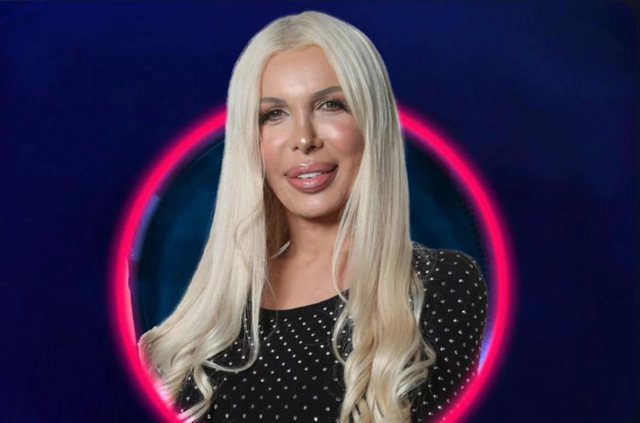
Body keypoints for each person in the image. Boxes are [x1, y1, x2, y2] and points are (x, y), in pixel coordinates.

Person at [139, 10, 488, 423]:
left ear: (371, 124)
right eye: (274, 114)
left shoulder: (442, 286)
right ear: (253, 141)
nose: (304, 139)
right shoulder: (191, 334)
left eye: (330, 105)